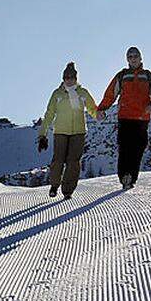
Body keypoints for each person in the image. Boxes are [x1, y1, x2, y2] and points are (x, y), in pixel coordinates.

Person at [97, 46, 151, 189]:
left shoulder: (149, 76)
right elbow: (110, 94)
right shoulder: (122, 75)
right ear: (127, 59)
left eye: (135, 56)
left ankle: (132, 177)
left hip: (142, 118)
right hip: (125, 117)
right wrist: (101, 108)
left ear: (140, 58)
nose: (133, 59)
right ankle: (125, 177)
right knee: (125, 148)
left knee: (138, 148)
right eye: (130, 56)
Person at [38, 62, 97, 199]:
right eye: (67, 77)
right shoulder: (57, 94)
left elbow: (92, 109)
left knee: (73, 162)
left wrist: (98, 114)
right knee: (58, 160)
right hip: (61, 132)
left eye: (72, 77)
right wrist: (42, 134)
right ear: (63, 79)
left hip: (78, 132)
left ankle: (67, 190)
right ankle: (54, 185)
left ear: (76, 78)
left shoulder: (82, 93)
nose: (69, 80)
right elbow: (49, 114)